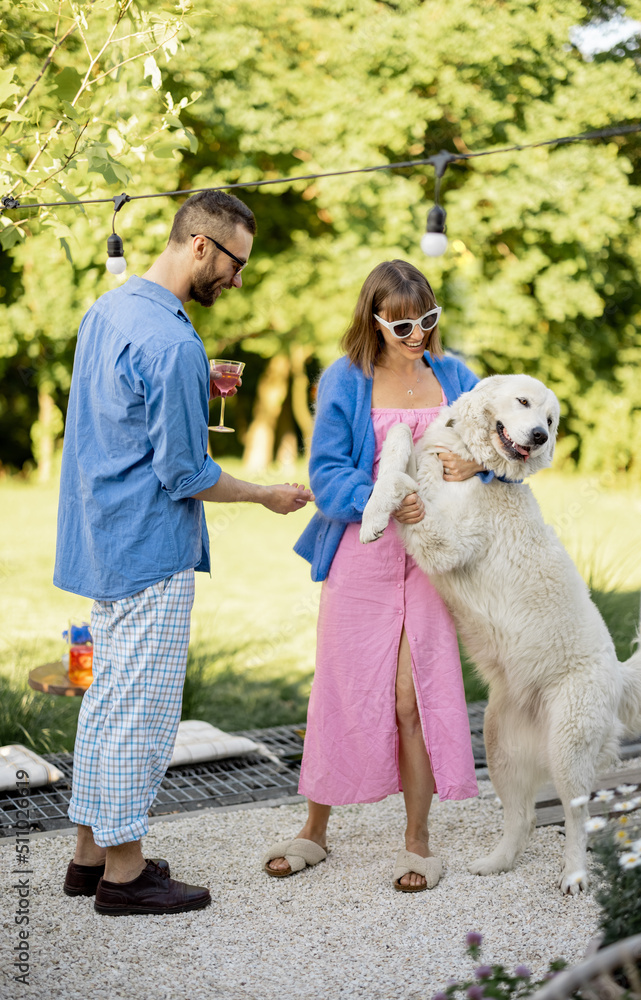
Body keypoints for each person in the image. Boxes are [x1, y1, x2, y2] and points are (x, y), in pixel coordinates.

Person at [54, 190, 313, 916]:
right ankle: (126, 876)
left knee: (107, 702)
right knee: (141, 712)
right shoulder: (172, 342)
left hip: (101, 539)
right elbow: (184, 473)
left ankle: (87, 858)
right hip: (149, 549)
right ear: (201, 245)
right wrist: (265, 493)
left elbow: (116, 424)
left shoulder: (110, 310)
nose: (237, 278)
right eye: (235, 262)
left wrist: (191, 392)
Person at [262, 260, 490, 891]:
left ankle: (418, 842)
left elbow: (503, 440)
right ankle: (314, 829)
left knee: (413, 698)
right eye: (403, 324)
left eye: (428, 320)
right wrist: (381, 498)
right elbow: (328, 473)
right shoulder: (345, 379)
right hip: (363, 555)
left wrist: (481, 470)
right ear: (376, 319)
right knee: (341, 687)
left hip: (435, 560)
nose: (418, 334)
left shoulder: (456, 376)